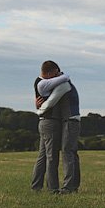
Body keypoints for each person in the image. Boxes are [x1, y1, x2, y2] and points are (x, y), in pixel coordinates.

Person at [35, 63, 81, 193]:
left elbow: (51, 102)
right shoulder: (64, 83)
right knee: (71, 153)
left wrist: (39, 111)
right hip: (70, 121)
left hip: (70, 121)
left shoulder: (63, 85)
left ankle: (68, 187)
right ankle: (72, 186)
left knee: (68, 153)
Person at [30, 60, 71, 193]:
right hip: (50, 122)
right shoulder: (42, 83)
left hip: (44, 122)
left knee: (43, 156)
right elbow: (65, 78)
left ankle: (36, 186)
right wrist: (61, 75)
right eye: (54, 73)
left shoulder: (40, 82)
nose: (56, 76)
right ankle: (52, 188)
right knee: (52, 157)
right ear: (49, 72)